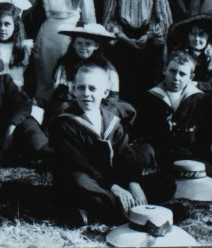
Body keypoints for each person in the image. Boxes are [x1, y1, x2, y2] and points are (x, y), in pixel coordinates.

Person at [49, 62, 153, 227]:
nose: (86, 94)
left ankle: (119, 206)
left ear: (105, 92)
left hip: (110, 178)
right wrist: (113, 187)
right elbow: (79, 164)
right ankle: (121, 210)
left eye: (92, 88)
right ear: (73, 90)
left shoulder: (112, 121)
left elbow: (124, 155)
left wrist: (133, 183)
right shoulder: (66, 122)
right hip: (84, 178)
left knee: (162, 182)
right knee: (80, 182)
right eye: (81, 88)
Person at [102, 0, 172, 105]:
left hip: (147, 41)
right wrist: (124, 38)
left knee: (148, 87)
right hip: (123, 40)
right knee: (125, 85)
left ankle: (146, 126)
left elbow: (165, 19)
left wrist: (148, 35)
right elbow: (108, 19)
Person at [27, 0, 95, 105]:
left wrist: (89, 41)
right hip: (49, 36)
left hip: (74, 36)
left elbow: (89, 16)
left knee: (72, 79)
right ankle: (43, 116)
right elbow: (25, 8)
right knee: (46, 80)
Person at [132, 51, 212, 173]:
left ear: (190, 77)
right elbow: (141, 131)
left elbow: (204, 137)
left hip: (187, 154)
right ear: (164, 70)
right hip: (158, 153)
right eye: (172, 71)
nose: (176, 77)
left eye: (182, 74)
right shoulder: (150, 97)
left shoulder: (200, 100)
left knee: (206, 170)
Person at [45, 23, 134, 128]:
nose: (83, 47)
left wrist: (94, 106)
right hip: (72, 103)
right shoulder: (64, 66)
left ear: (96, 46)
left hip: (100, 104)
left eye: (88, 44)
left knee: (115, 111)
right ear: (73, 44)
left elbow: (113, 96)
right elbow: (60, 93)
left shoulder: (107, 68)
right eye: (79, 43)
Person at [0, 2, 30, 92]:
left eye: (7, 24)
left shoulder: (23, 48)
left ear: (15, 26)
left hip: (16, 91)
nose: (2, 28)